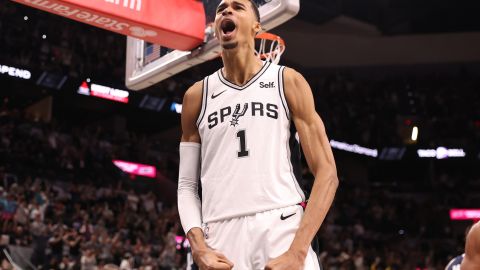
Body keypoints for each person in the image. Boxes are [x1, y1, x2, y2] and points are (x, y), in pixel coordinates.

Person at [177, 0, 339, 269]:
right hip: (220, 234)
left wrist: (298, 251)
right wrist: (199, 247)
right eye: (221, 9)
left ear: (257, 26)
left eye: (238, 7)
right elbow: (186, 186)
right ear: (216, 29)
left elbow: (327, 173)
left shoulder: (288, 81)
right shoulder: (196, 96)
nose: (227, 11)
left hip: (282, 224)